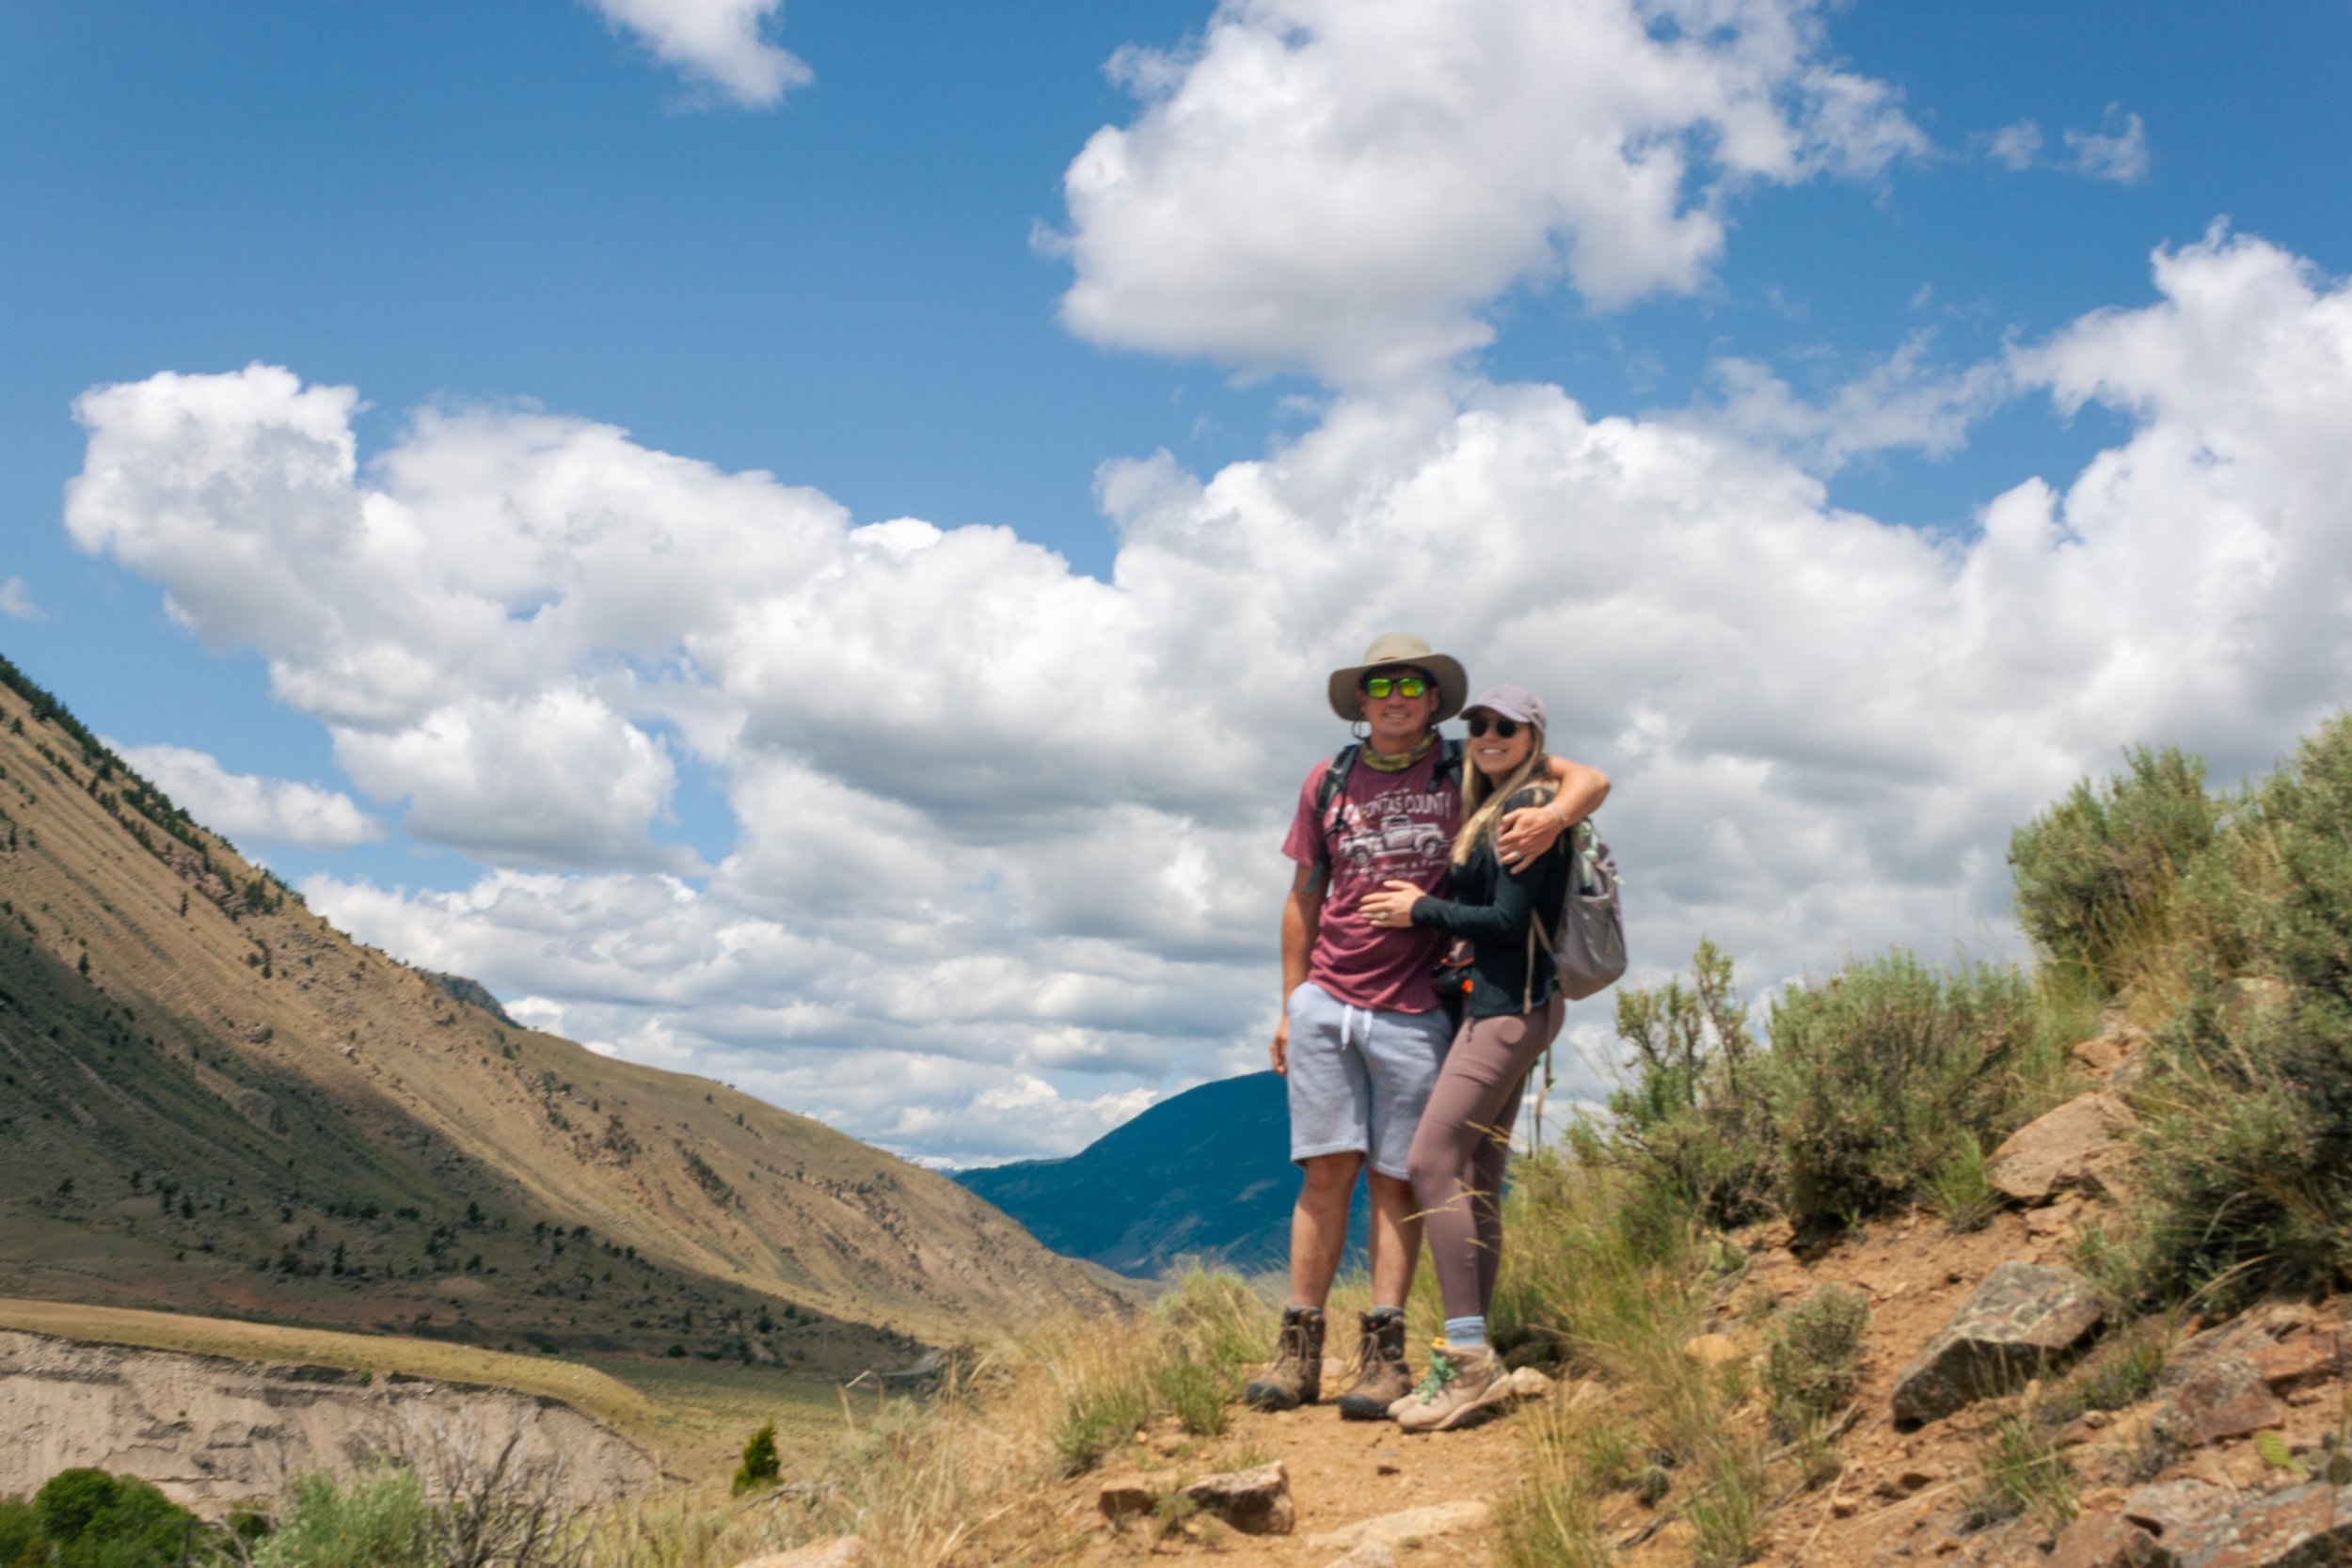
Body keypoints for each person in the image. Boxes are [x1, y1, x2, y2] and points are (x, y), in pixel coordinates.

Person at [1246, 638, 1608, 1420]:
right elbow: (1303, 893)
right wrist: (1290, 1000)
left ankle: (1385, 1355)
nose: (1396, 694)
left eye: (1413, 682)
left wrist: (1554, 819)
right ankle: (1298, 1350)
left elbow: (1587, 776)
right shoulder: (1328, 779)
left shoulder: (1465, 764)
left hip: (1417, 1004)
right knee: (1324, 1170)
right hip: (1326, 998)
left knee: (1399, 1175)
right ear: (1361, 701)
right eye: (1381, 684)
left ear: (1433, 700)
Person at [1360, 684, 1574, 1433]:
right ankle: (1473, 1359)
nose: (1485, 734)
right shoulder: (1493, 799)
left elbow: (1509, 920)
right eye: (1477, 723)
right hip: (1507, 1006)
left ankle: (1468, 1358)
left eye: (1504, 726)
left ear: (1532, 736)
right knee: (1477, 1176)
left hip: (1505, 1009)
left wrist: (1421, 909)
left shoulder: (1526, 807)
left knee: (1430, 1163)